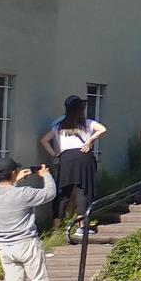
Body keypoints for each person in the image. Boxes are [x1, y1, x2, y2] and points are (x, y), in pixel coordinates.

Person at [38, 95, 105, 234]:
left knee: (63, 193)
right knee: (83, 191)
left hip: (66, 158)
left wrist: (54, 153)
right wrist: (90, 141)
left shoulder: (59, 125)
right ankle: (81, 227)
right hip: (83, 156)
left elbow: (44, 140)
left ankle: (56, 227)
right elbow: (103, 129)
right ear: (82, 109)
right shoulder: (87, 123)